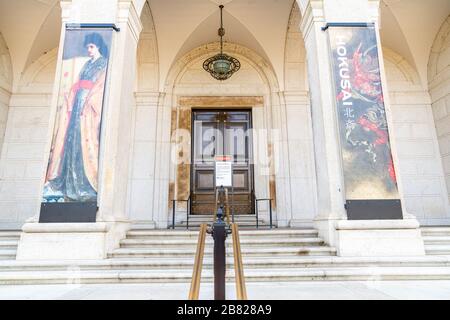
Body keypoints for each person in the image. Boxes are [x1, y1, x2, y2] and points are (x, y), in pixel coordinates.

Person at [43, 32, 108, 202]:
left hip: (88, 108)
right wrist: (71, 96)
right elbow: (78, 83)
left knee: (85, 144)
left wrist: (88, 101)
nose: (89, 50)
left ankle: (84, 184)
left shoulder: (104, 64)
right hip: (77, 105)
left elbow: (101, 88)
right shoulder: (87, 64)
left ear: (98, 47)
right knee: (71, 142)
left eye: (91, 47)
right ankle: (68, 182)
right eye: (87, 47)